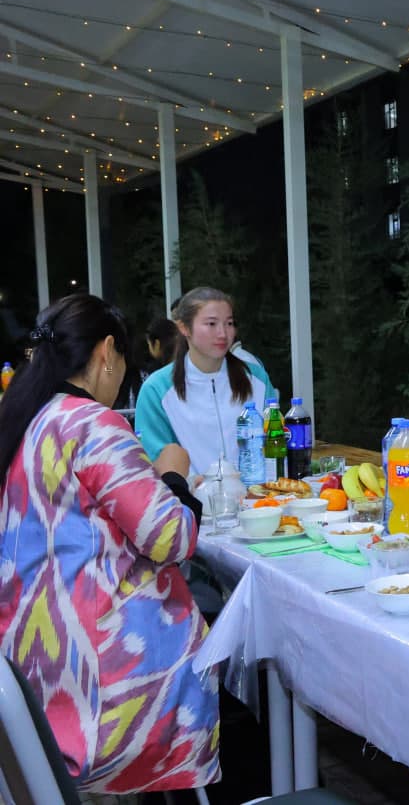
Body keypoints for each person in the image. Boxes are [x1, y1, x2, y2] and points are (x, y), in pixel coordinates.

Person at [0, 294, 219, 795]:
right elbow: (172, 537)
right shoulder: (94, 425)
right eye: (123, 362)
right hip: (105, 691)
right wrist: (173, 475)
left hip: (38, 662)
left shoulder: (27, 422)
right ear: (106, 353)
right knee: (218, 641)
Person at [136, 287, 275, 478]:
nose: (223, 333)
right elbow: (154, 458)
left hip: (259, 503)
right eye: (211, 324)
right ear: (184, 328)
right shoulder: (156, 390)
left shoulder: (256, 378)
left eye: (229, 323)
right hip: (190, 504)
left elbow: (274, 441)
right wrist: (192, 484)